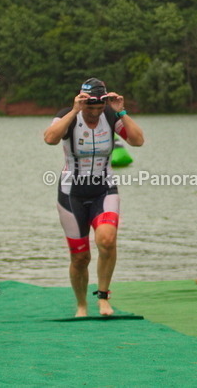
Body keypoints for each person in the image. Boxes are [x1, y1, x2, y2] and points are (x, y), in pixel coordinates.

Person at [44, 78, 144, 317]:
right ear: (82, 101)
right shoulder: (67, 115)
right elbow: (50, 138)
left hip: (104, 189)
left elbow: (137, 140)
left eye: (99, 108)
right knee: (80, 258)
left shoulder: (110, 117)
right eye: (90, 108)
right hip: (71, 194)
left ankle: (103, 297)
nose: (94, 113)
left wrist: (121, 111)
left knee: (107, 241)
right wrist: (74, 111)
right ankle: (81, 305)